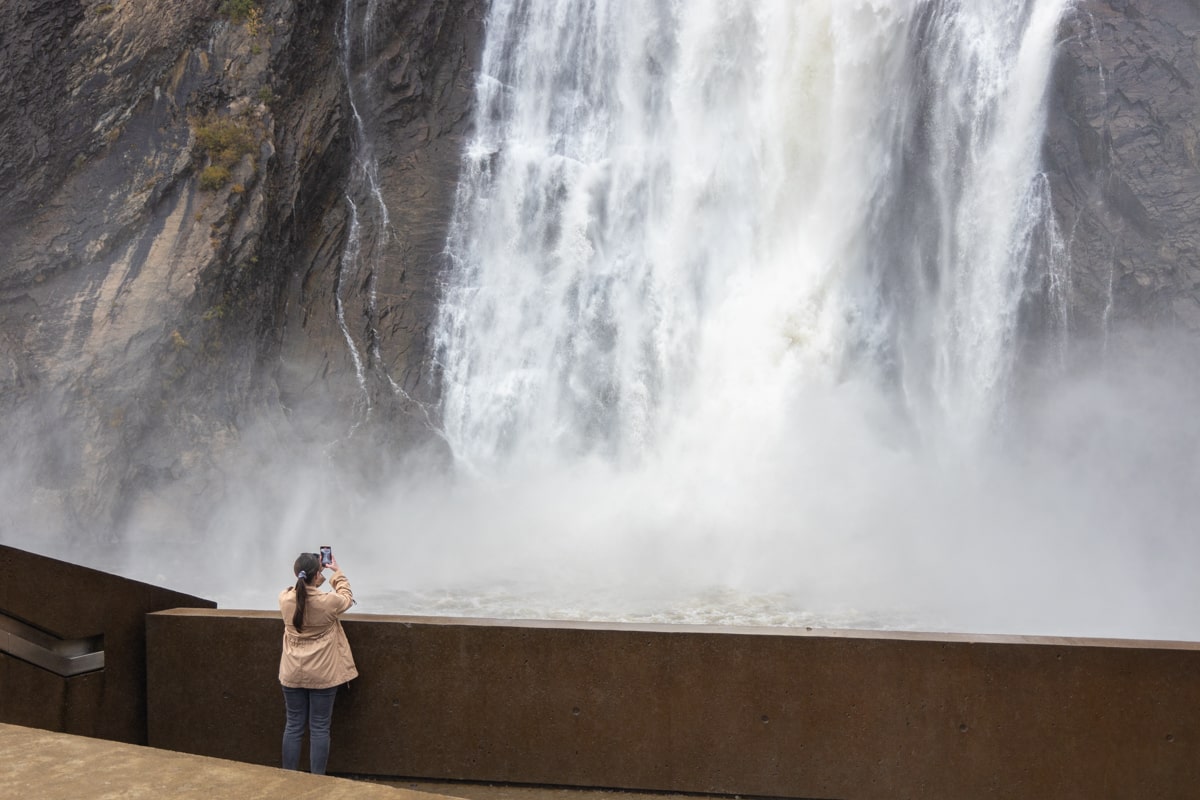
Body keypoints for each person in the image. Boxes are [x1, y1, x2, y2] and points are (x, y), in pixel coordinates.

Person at [277, 551, 358, 774]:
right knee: (319, 728)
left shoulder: (284, 598)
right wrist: (336, 573)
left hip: (292, 672)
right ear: (316, 576)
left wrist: (314, 575)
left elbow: (302, 591)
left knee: (293, 726)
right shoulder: (328, 603)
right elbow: (347, 597)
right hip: (323, 674)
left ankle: (289, 776)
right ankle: (317, 780)